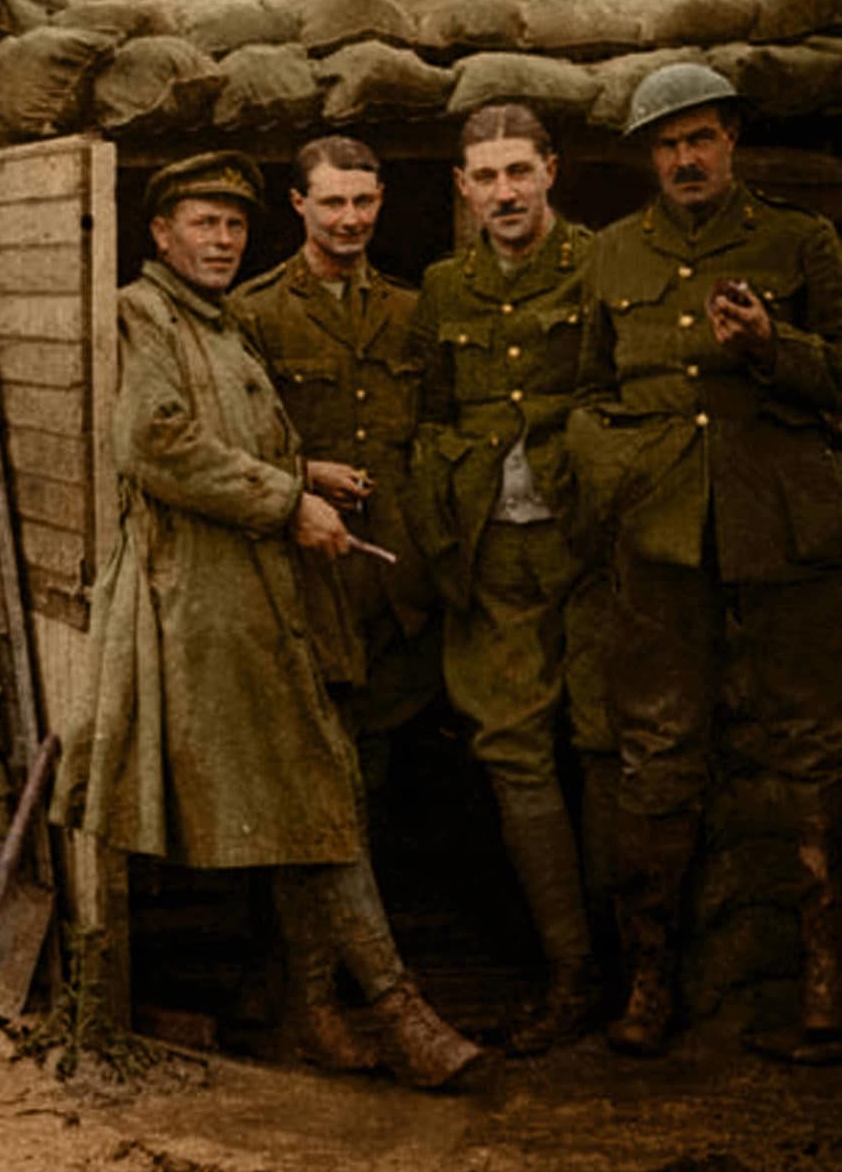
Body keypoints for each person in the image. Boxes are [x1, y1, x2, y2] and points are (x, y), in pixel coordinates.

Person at [55, 150, 483, 1089]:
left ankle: (316, 1012)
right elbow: (156, 441)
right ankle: (398, 1014)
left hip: (253, 592)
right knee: (319, 790)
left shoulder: (215, 322)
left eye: (233, 226)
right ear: (159, 234)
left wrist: (307, 470)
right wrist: (287, 502)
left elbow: (232, 432)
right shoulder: (144, 315)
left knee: (310, 795)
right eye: (202, 224)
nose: (220, 240)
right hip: (201, 601)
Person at [573, 62, 842, 1060]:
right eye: (666, 143)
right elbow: (586, 392)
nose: (684, 158)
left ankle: (823, 977)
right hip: (657, 533)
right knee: (655, 751)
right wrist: (608, 481)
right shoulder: (609, 254)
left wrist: (775, 347)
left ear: (732, 140)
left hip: (785, 529)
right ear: (648, 157)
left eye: (700, 138)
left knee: (810, 749)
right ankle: (649, 980)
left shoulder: (800, 241)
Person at [408, 103, 614, 1056]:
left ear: (552, 173)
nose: (504, 193)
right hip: (495, 550)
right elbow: (436, 416)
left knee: (615, 739)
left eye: (518, 173)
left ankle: (644, 968)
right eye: (484, 177)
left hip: (593, 544)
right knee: (513, 750)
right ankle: (569, 969)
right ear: (461, 188)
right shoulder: (445, 289)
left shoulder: (602, 266)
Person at [229, 136, 438, 788]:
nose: (350, 219)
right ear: (298, 204)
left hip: (397, 570)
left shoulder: (412, 307)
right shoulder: (252, 312)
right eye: (332, 203)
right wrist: (306, 471)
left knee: (386, 749)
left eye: (363, 201)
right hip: (307, 573)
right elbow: (235, 442)